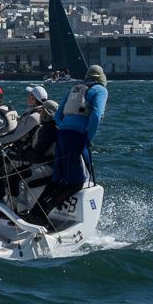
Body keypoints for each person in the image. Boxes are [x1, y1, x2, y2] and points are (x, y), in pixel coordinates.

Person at [26, 65, 108, 229]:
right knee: (77, 182)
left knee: (58, 178)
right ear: (101, 77)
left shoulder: (75, 88)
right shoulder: (100, 90)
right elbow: (97, 116)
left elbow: (58, 114)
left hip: (62, 133)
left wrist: (65, 126)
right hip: (77, 136)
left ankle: (35, 212)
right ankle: (43, 213)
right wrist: (87, 137)